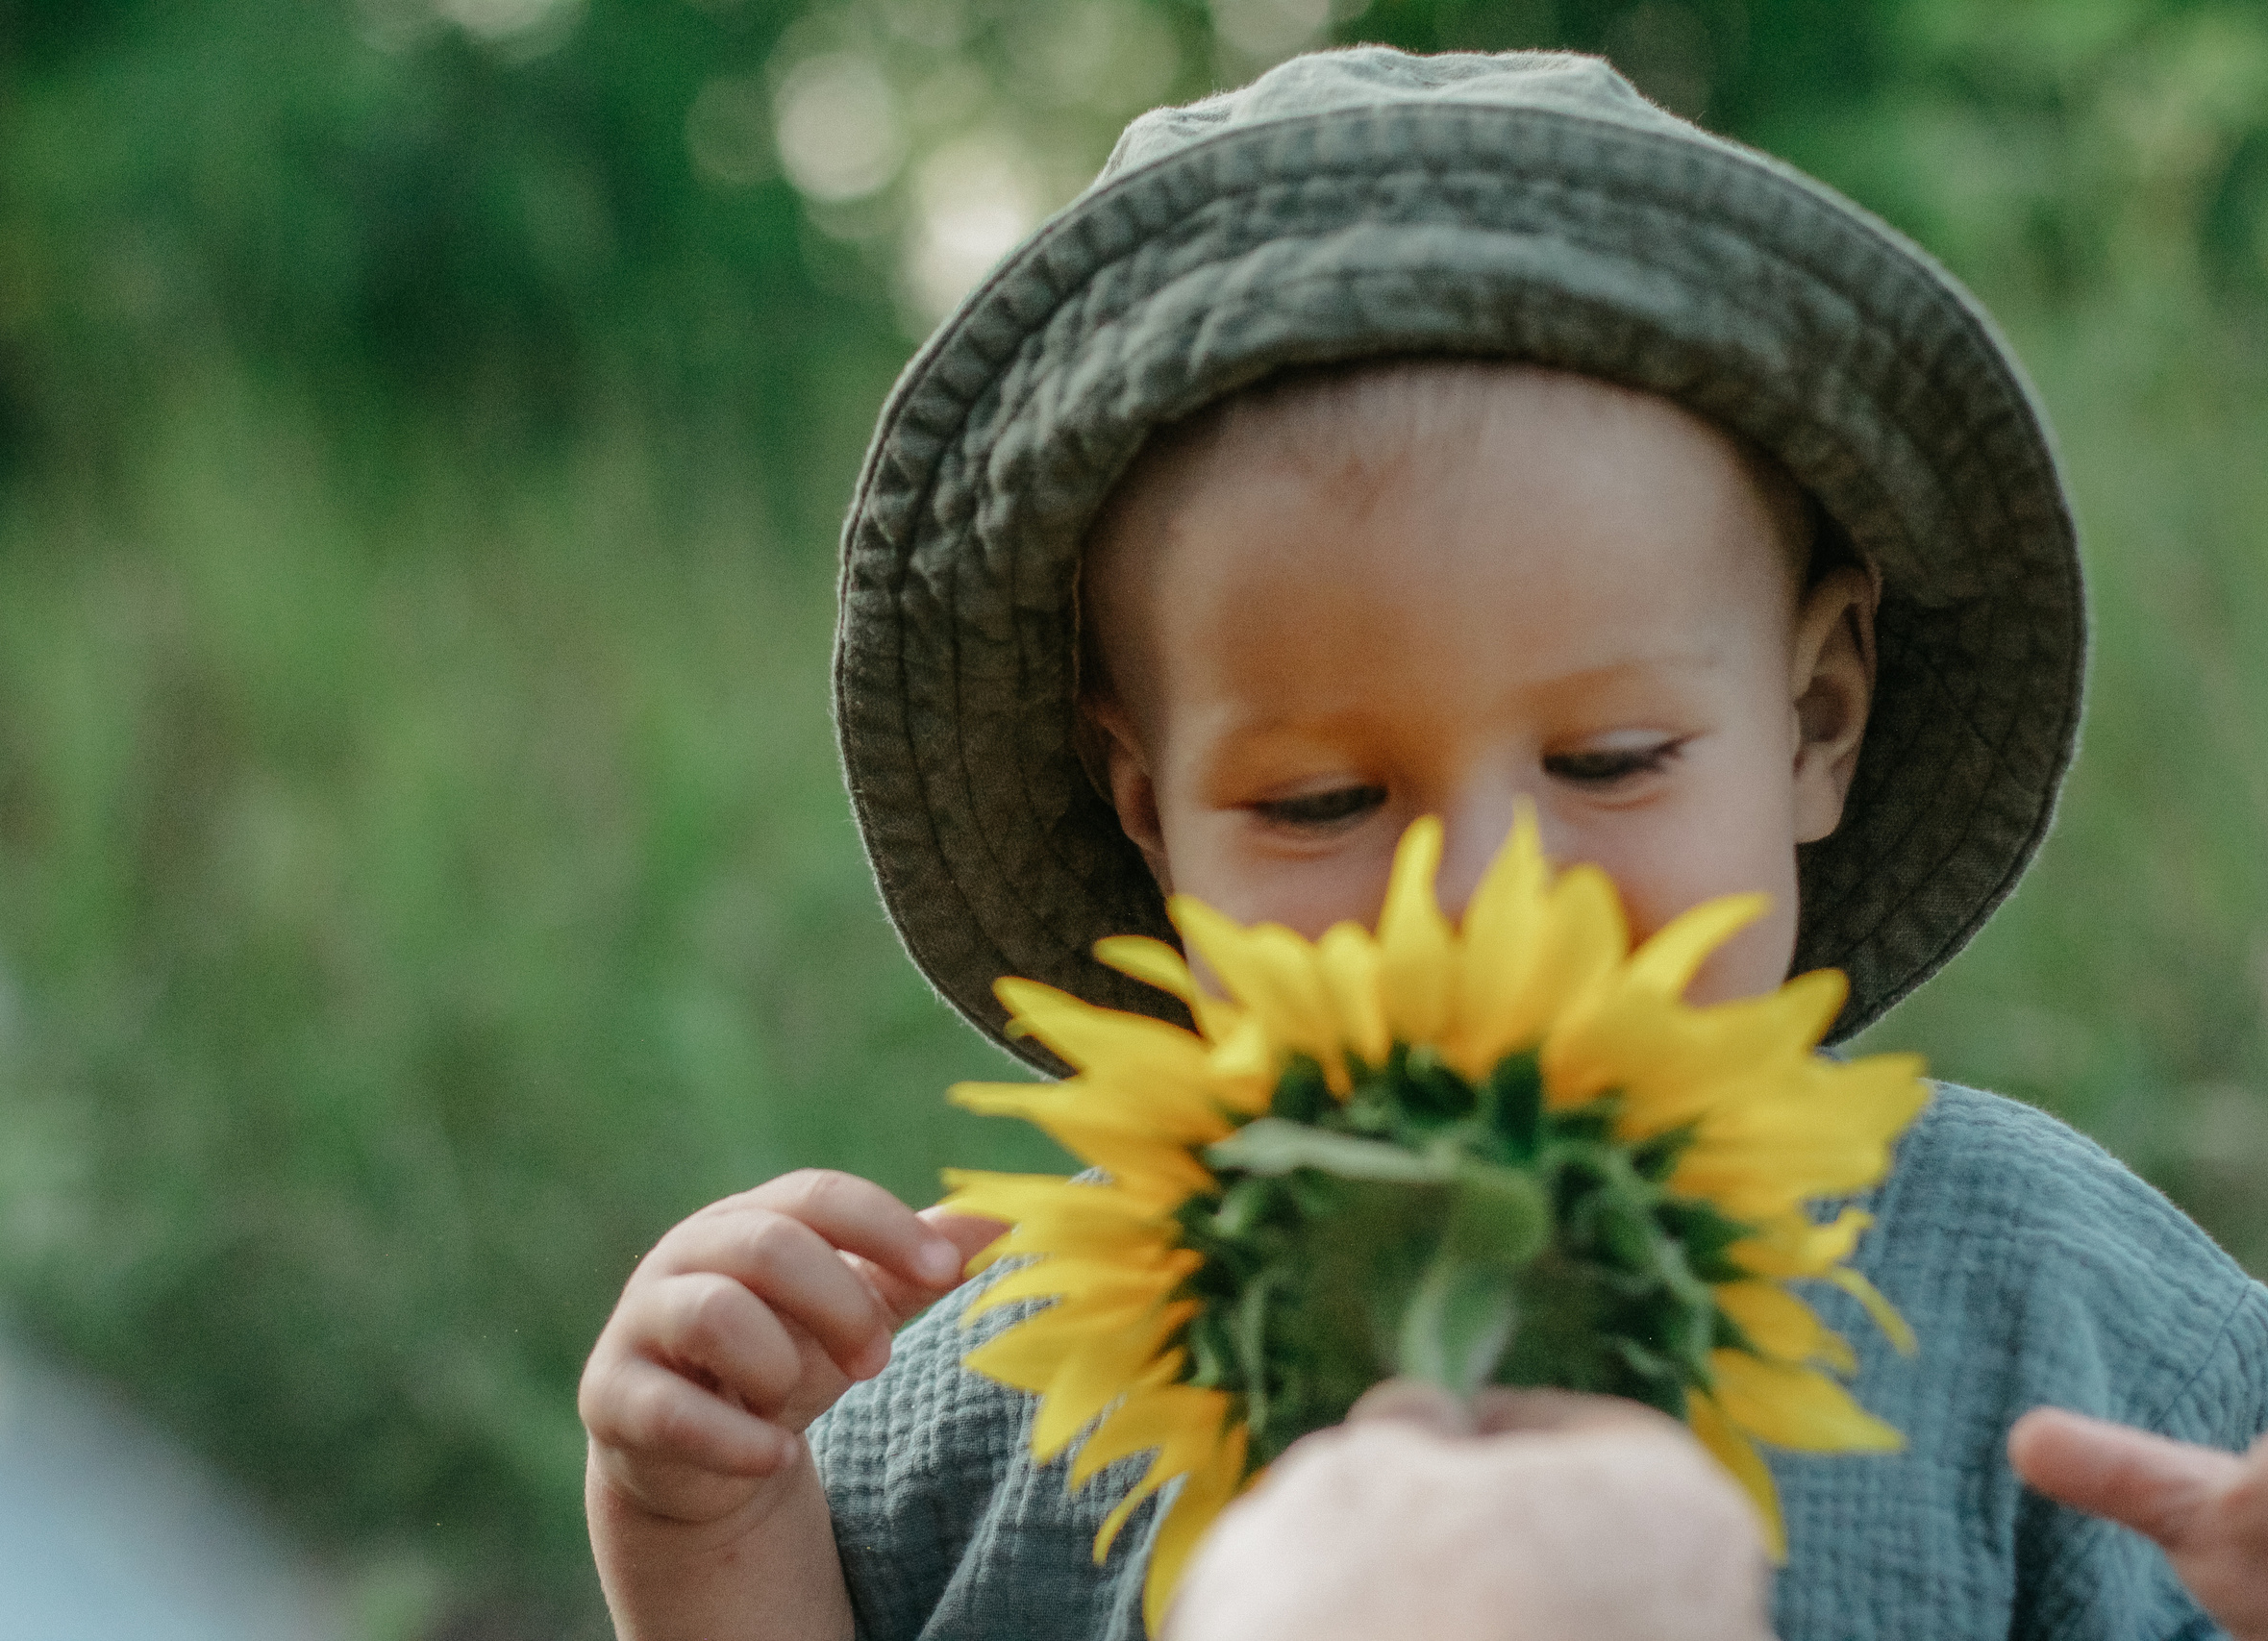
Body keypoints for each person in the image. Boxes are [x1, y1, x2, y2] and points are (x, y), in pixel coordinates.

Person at [577, 47, 2268, 1641]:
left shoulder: (2043, 1304)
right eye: (1322, 804)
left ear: (1816, 721)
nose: (1477, 899)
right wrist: (710, 1522)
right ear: (1148, 811)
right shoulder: (1018, 1356)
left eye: (1608, 762)